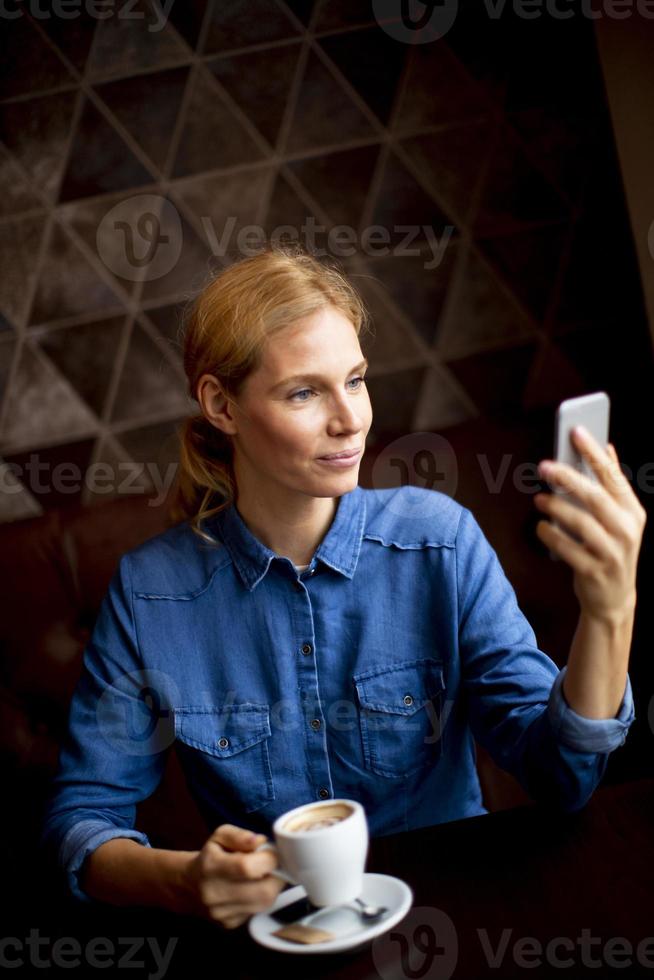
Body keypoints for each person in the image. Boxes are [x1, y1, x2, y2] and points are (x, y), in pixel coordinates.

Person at [40, 244, 645, 931]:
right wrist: (185, 881)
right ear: (221, 405)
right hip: (280, 942)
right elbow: (81, 823)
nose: (351, 418)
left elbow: (562, 778)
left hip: (453, 923)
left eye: (355, 380)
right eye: (304, 391)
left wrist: (611, 610)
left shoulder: (438, 542)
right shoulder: (149, 593)